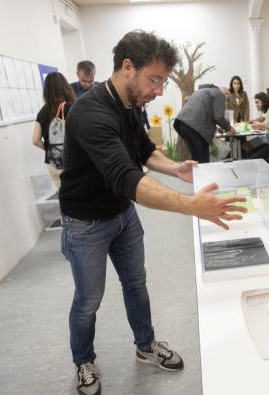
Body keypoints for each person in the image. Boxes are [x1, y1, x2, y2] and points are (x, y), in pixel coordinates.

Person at [59, 31, 247, 395]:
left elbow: (143, 151)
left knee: (136, 284)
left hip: (121, 215)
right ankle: (83, 360)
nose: (160, 90)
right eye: (155, 79)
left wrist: (174, 170)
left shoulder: (131, 105)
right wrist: (190, 205)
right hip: (86, 222)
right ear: (128, 67)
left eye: (162, 81)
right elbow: (126, 177)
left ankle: (145, 347)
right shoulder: (90, 112)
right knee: (88, 300)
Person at [32, 71, 76, 190]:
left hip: (52, 163)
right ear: (65, 87)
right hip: (71, 162)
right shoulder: (70, 108)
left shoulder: (43, 111)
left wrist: (50, 149)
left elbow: (35, 140)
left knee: (63, 198)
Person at [173, 84, 235, 163]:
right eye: (227, 99)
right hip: (196, 127)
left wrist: (217, 128)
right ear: (225, 93)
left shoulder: (202, 91)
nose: (225, 102)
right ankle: (204, 175)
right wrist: (230, 128)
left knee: (195, 156)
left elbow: (206, 115)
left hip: (181, 123)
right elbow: (218, 117)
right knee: (203, 158)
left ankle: (196, 175)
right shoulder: (219, 94)